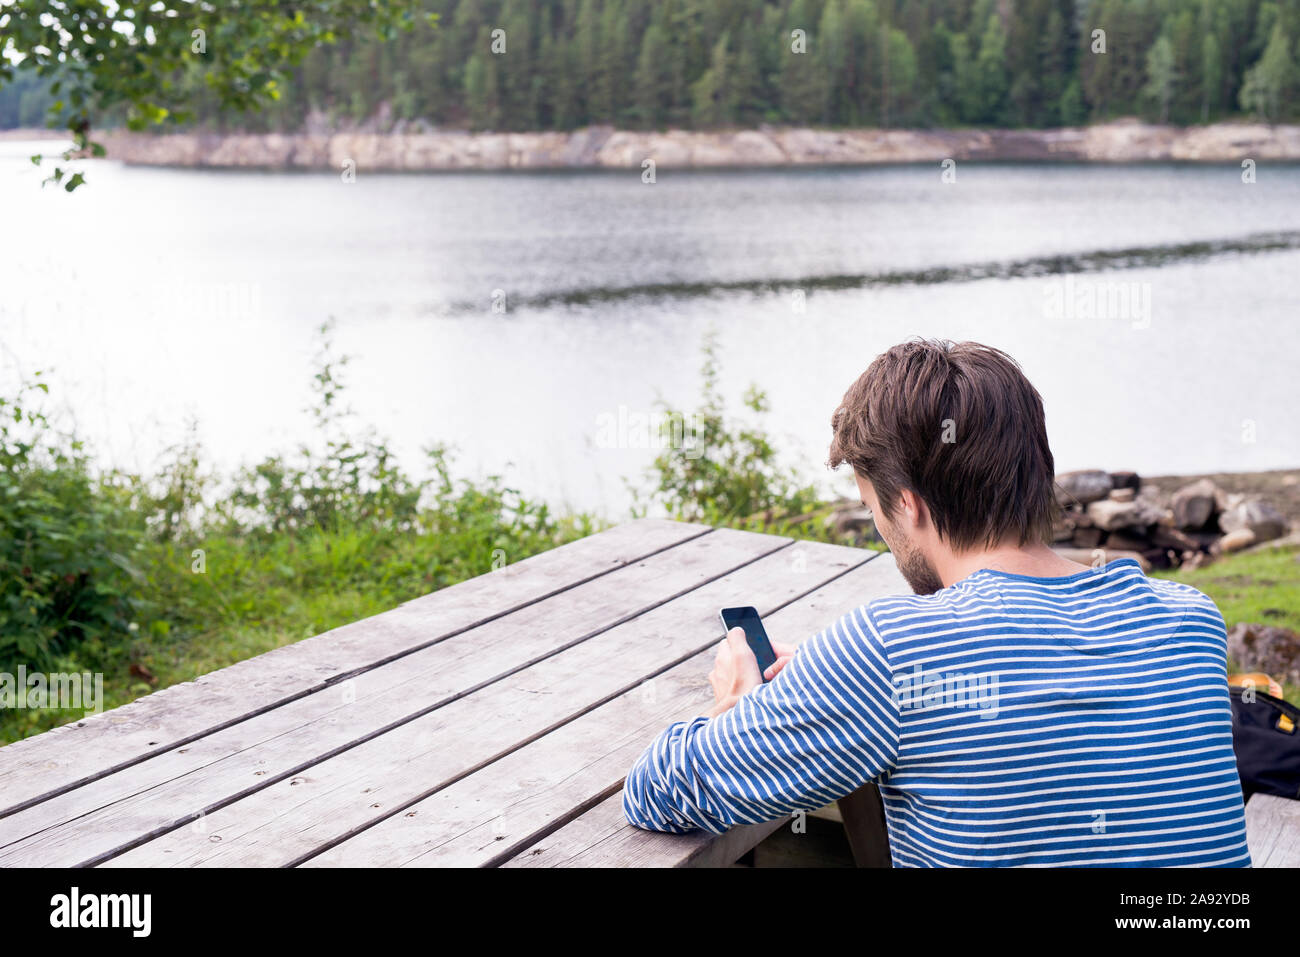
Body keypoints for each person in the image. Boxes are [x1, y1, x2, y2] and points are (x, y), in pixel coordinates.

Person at [622, 338, 1251, 867]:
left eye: (873, 511)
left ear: (908, 505)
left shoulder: (891, 649)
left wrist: (736, 711)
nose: (881, 533)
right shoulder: (1188, 619)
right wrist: (833, 679)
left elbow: (657, 791)